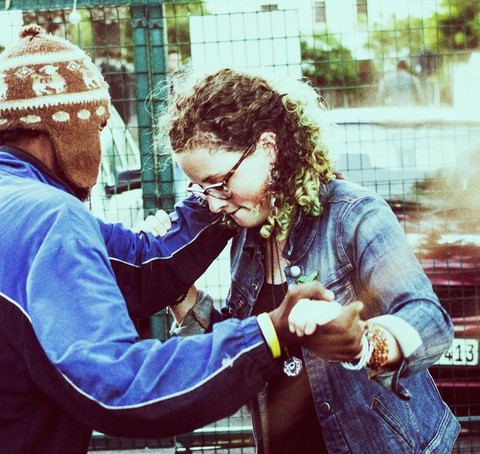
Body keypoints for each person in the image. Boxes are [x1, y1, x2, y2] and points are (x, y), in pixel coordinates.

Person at [0, 26, 364, 454]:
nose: (101, 142)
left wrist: (220, 192)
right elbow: (122, 389)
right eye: (99, 125)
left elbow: (144, 265)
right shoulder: (49, 219)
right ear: (65, 127)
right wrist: (268, 333)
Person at [151, 66, 460, 453]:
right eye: (202, 189)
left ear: (268, 148)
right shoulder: (247, 237)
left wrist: (366, 343)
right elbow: (244, 346)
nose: (214, 202)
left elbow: (430, 320)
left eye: (221, 182)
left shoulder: (353, 216)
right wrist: (175, 284)